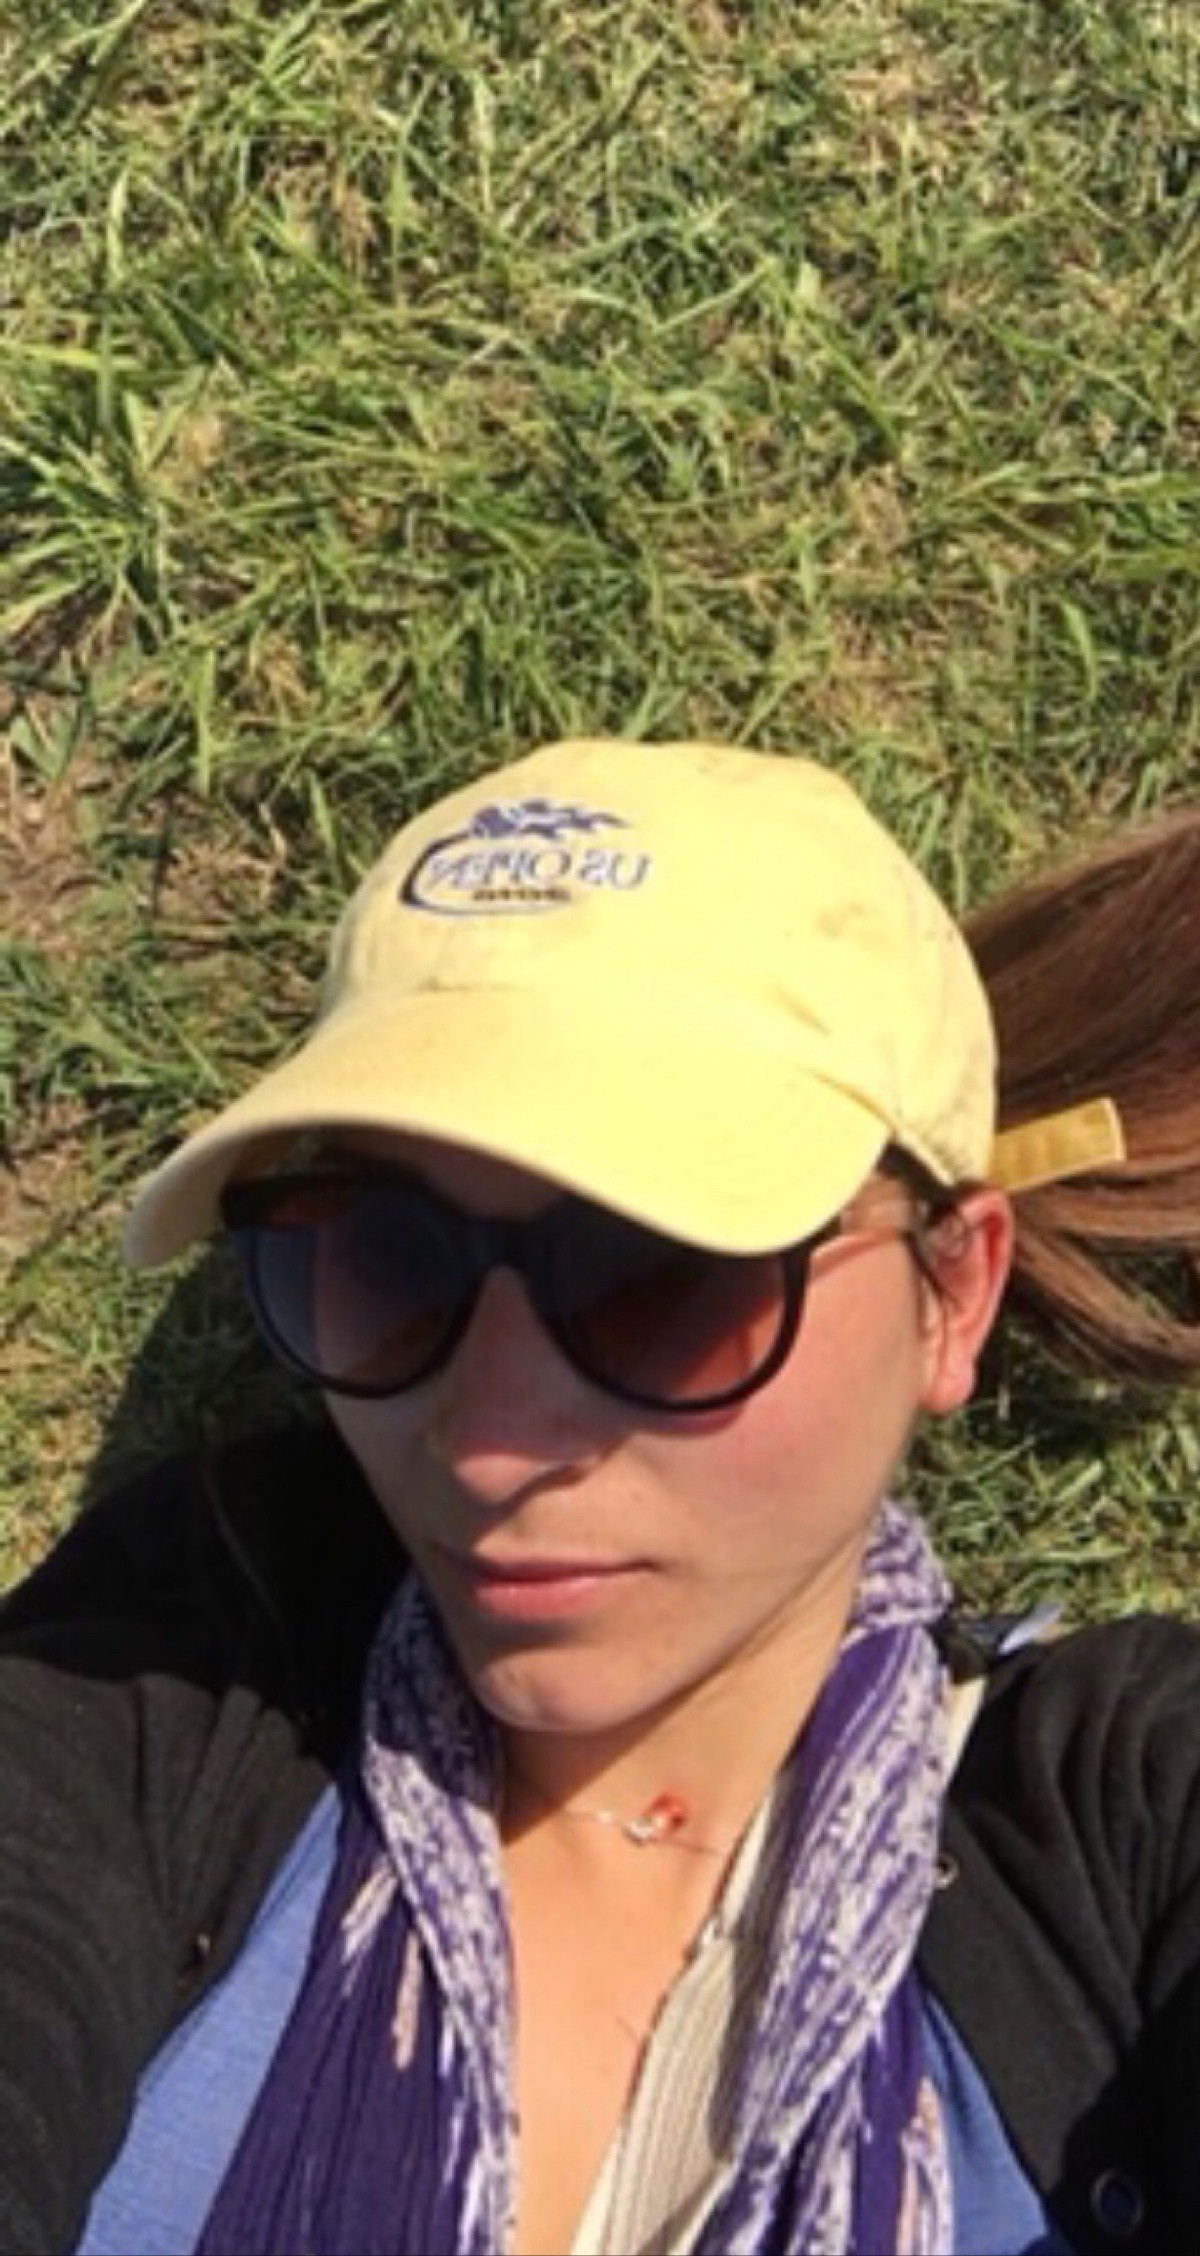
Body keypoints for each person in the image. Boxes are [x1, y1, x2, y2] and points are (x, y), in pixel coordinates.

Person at [3, 736, 1200, 2256]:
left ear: (950, 1293)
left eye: (662, 1274)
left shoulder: (1126, 1806)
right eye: (382, 1254)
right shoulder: (184, 1659)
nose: (488, 1442)